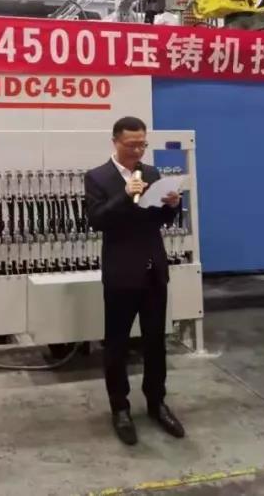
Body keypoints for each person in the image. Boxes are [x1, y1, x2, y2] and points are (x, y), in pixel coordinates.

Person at [84, 116, 184, 445]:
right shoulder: (97, 177)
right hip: (121, 272)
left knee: (155, 342)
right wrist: (125, 195)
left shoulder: (151, 173)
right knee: (117, 343)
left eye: (142, 145)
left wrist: (173, 205)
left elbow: (159, 219)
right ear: (115, 141)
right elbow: (97, 220)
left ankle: (157, 402)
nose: (137, 151)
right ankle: (120, 408)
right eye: (131, 145)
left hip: (154, 269)